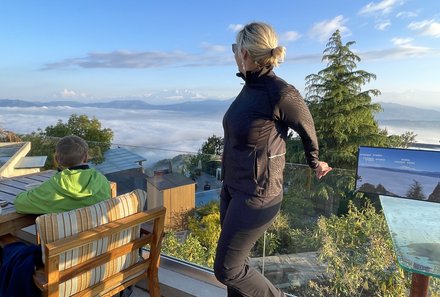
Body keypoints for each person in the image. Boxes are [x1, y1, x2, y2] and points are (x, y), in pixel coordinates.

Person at [214, 22, 332, 297]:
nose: (233, 54)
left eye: (234, 49)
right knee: (238, 267)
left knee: (227, 269)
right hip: (232, 190)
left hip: (258, 196)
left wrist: (315, 161)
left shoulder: (280, 92)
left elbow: (307, 126)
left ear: (244, 53)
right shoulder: (250, 89)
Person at [14, 135, 111, 214]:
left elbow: (19, 204)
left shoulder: (54, 186)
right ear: (85, 157)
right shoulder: (102, 181)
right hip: (99, 235)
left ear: (57, 159)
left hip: (67, 237)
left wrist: (34, 192)